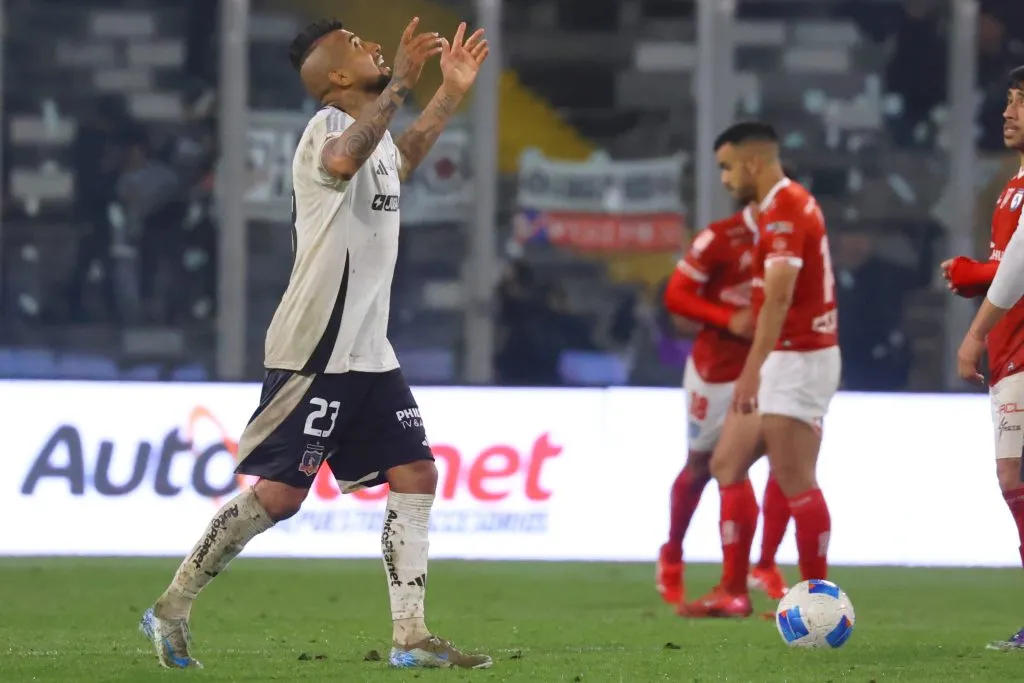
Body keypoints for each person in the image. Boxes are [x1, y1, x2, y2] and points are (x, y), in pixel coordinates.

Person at [137, 17, 493, 670]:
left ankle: (410, 636)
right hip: (316, 348)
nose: (374, 46)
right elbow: (343, 160)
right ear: (337, 76)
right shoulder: (325, 130)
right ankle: (171, 606)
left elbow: (401, 157)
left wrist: (448, 93)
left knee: (417, 471)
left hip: (369, 350)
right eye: (358, 45)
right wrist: (404, 82)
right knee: (280, 496)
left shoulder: (373, 137)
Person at [681, 122, 840, 618]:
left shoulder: (787, 208)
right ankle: (734, 591)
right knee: (726, 464)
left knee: (796, 479)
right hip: (783, 358)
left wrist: (751, 370)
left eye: (727, 167)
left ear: (753, 163)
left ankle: (816, 601)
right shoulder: (776, 209)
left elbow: (779, 298)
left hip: (799, 359)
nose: (725, 179)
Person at [657, 201, 792, 609]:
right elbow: (676, 296)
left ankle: (759, 568)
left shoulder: (799, 236)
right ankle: (672, 554)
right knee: (701, 466)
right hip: (719, 371)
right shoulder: (720, 237)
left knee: (786, 461)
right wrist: (726, 317)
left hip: (776, 365)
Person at [946, 64, 1024, 651]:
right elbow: (1011, 262)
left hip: (1019, 348)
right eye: (1008, 99)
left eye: (1021, 101)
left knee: (1013, 475)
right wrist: (979, 274)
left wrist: (974, 331)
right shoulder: (1013, 182)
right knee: (1013, 477)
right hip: (1011, 347)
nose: (1007, 111)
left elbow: (1019, 265)